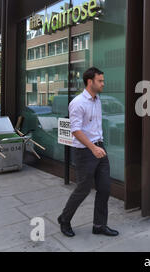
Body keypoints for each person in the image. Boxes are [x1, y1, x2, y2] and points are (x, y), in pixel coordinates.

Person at [57, 67, 119, 238]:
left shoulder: (97, 100)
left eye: (103, 81)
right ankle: (64, 219)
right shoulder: (77, 103)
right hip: (85, 152)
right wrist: (93, 148)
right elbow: (75, 130)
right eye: (100, 81)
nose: (103, 84)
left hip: (100, 148)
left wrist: (100, 146)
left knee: (105, 188)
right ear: (90, 82)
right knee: (83, 189)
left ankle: (99, 225)